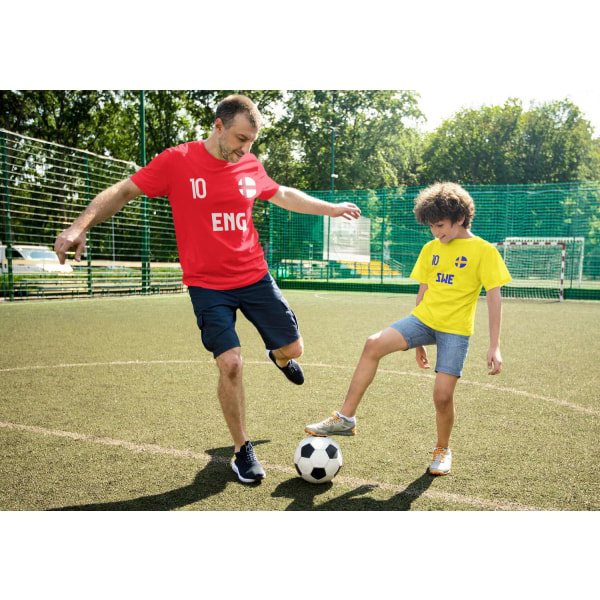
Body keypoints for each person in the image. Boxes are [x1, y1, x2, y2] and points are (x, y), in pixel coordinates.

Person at [54, 94, 361, 484]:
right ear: (218, 126)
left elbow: (280, 194)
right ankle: (241, 450)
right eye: (239, 138)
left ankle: (280, 358)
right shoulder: (176, 161)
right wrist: (78, 227)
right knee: (231, 363)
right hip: (207, 286)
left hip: (255, 276)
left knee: (294, 348)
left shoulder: (250, 163)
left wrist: (330, 208)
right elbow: (123, 191)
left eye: (251, 141)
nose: (245, 148)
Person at [305, 182, 511, 475]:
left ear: (461, 218)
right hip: (423, 320)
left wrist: (495, 345)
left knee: (442, 396)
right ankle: (346, 418)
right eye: (431, 226)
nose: (436, 232)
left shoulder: (484, 251)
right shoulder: (431, 248)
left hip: (455, 330)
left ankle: (442, 449)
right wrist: (418, 341)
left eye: (440, 225)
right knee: (373, 343)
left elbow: (494, 298)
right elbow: (423, 291)